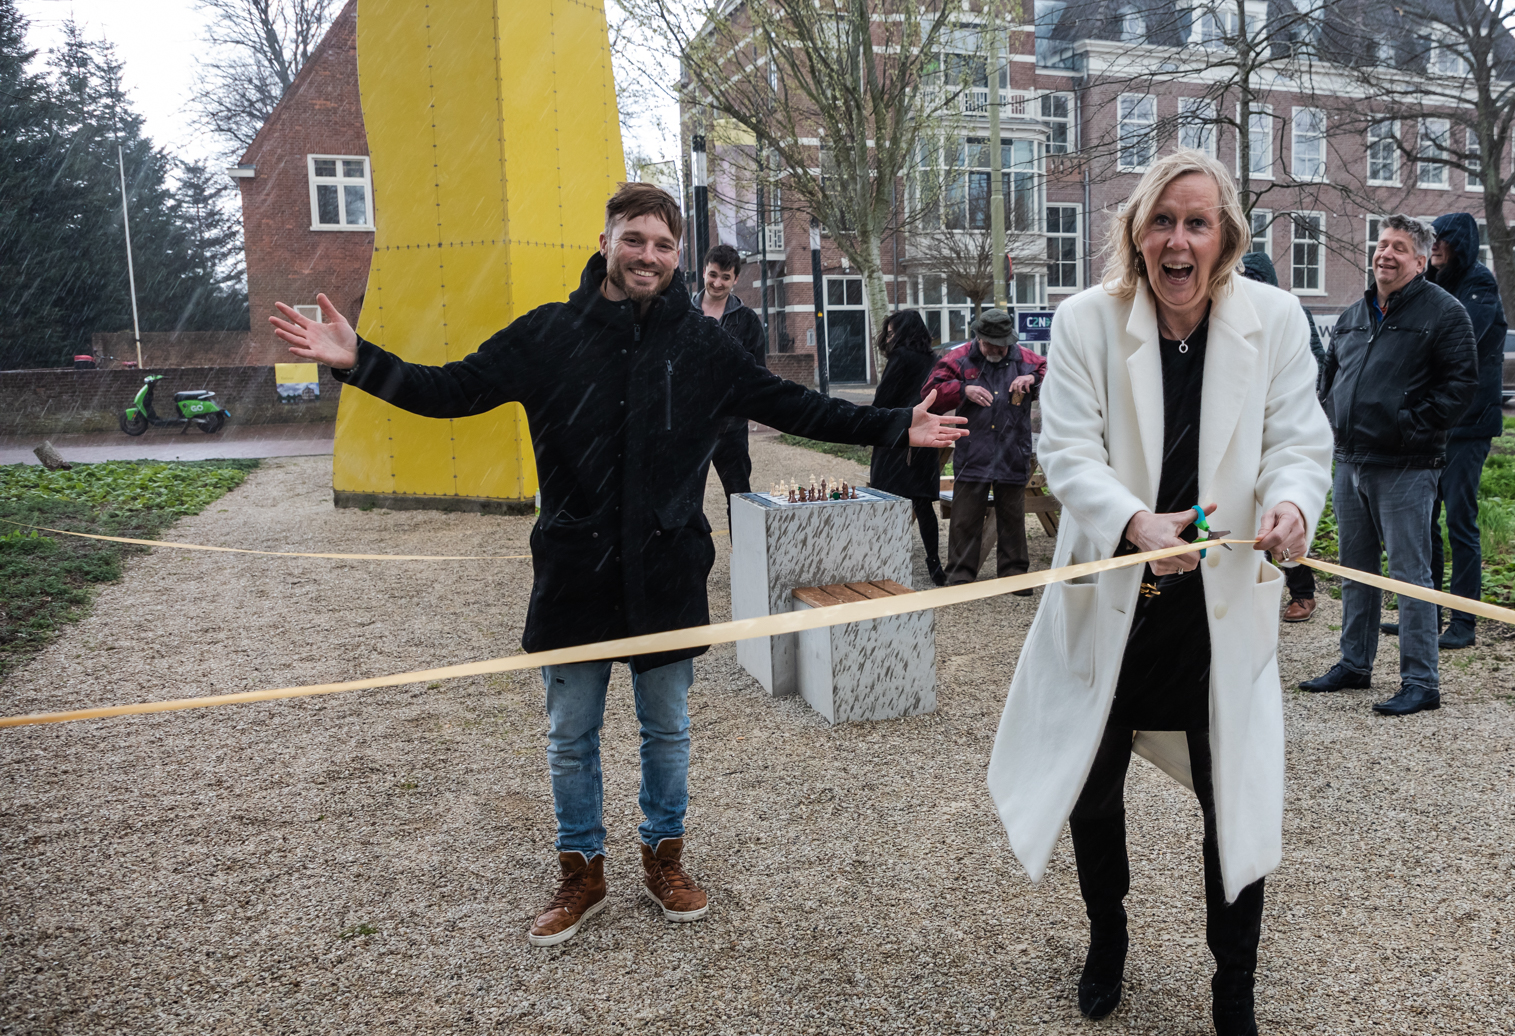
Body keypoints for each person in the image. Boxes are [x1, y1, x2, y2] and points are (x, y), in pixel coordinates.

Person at [268, 183, 965, 947]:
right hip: (575, 572)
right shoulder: (548, 335)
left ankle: (664, 857)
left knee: (666, 730)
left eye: (664, 246)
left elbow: (794, 405)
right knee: (572, 733)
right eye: (635, 239)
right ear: (605, 242)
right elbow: (451, 390)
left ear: (678, 259)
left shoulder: (703, 348)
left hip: (666, 574)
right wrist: (359, 360)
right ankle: (581, 872)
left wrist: (897, 424)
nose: (649, 256)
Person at [985, 150, 1332, 1036]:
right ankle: (1109, 934)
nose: (1179, 241)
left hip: (1217, 610)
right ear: (1137, 231)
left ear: (1225, 240)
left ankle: (1235, 999)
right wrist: (1135, 524)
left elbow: (1300, 440)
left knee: (1237, 807)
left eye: (1199, 223)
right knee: (1093, 788)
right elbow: (1066, 449)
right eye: (1162, 222)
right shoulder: (1088, 322)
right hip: (1115, 598)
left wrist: (1296, 506)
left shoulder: (1276, 321)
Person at [1297, 214, 1477, 716]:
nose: (1386, 255)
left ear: (1420, 261)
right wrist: (1330, 417)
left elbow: (1462, 385)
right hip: (1350, 458)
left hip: (1406, 464)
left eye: (1399, 247)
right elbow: (1330, 375)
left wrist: (1411, 424)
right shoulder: (1354, 313)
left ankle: (1421, 681)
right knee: (1357, 571)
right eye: (1382, 245)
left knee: (1407, 575)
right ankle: (1355, 663)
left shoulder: (1445, 313)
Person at [1416, 212, 1507, 650]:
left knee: (1460, 523)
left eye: (1442, 240)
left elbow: (1459, 338)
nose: (1434, 247)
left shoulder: (1480, 284)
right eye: (1431, 240)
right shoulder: (1432, 283)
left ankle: (1464, 622)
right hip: (1435, 423)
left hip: (1469, 426)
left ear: (1460, 243)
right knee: (1426, 521)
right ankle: (1428, 616)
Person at [921, 308, 1047, 594]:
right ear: (978, 338)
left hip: (1013, 449)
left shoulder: (1026, 359)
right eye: (991, 344)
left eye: (1003, 345)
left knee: (1013, 517)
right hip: (973, 449)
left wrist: (1034, 380)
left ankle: (1015, 576)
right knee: (965, 517)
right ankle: (960, 576)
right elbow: (930, 392)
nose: (997, 350)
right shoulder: (958, 358)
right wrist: (963, 389)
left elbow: (1055, 371)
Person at [1237, 251, 1329, 624]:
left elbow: (1317, 362)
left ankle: (1302, 593)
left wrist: (1291, 397)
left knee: (1285, 509)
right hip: (1240, 431)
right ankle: (1247, 587)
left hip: (1277, 424)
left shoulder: (1290, 313)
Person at [868, 310, 946, 584]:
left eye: (891, 333)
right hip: (924, 438)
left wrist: (869, 425)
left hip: (896, 437)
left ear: (903, 333)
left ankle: (886, 561)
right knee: (923, 505)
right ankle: (934, 563)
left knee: (887, 501)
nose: (888, 338)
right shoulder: (934, 360)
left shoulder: (901, 357)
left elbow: (884, 397)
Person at [695, 244, 768, 526]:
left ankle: (744, 560)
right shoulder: (682, 314)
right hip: (690, 427)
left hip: (731, 428)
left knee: (739, 499)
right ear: (704, 272)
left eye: (725, 277)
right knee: (683, 502)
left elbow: (758, 373)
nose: (717, 282)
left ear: (736, 279)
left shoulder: (748, 321)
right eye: (713, 274)